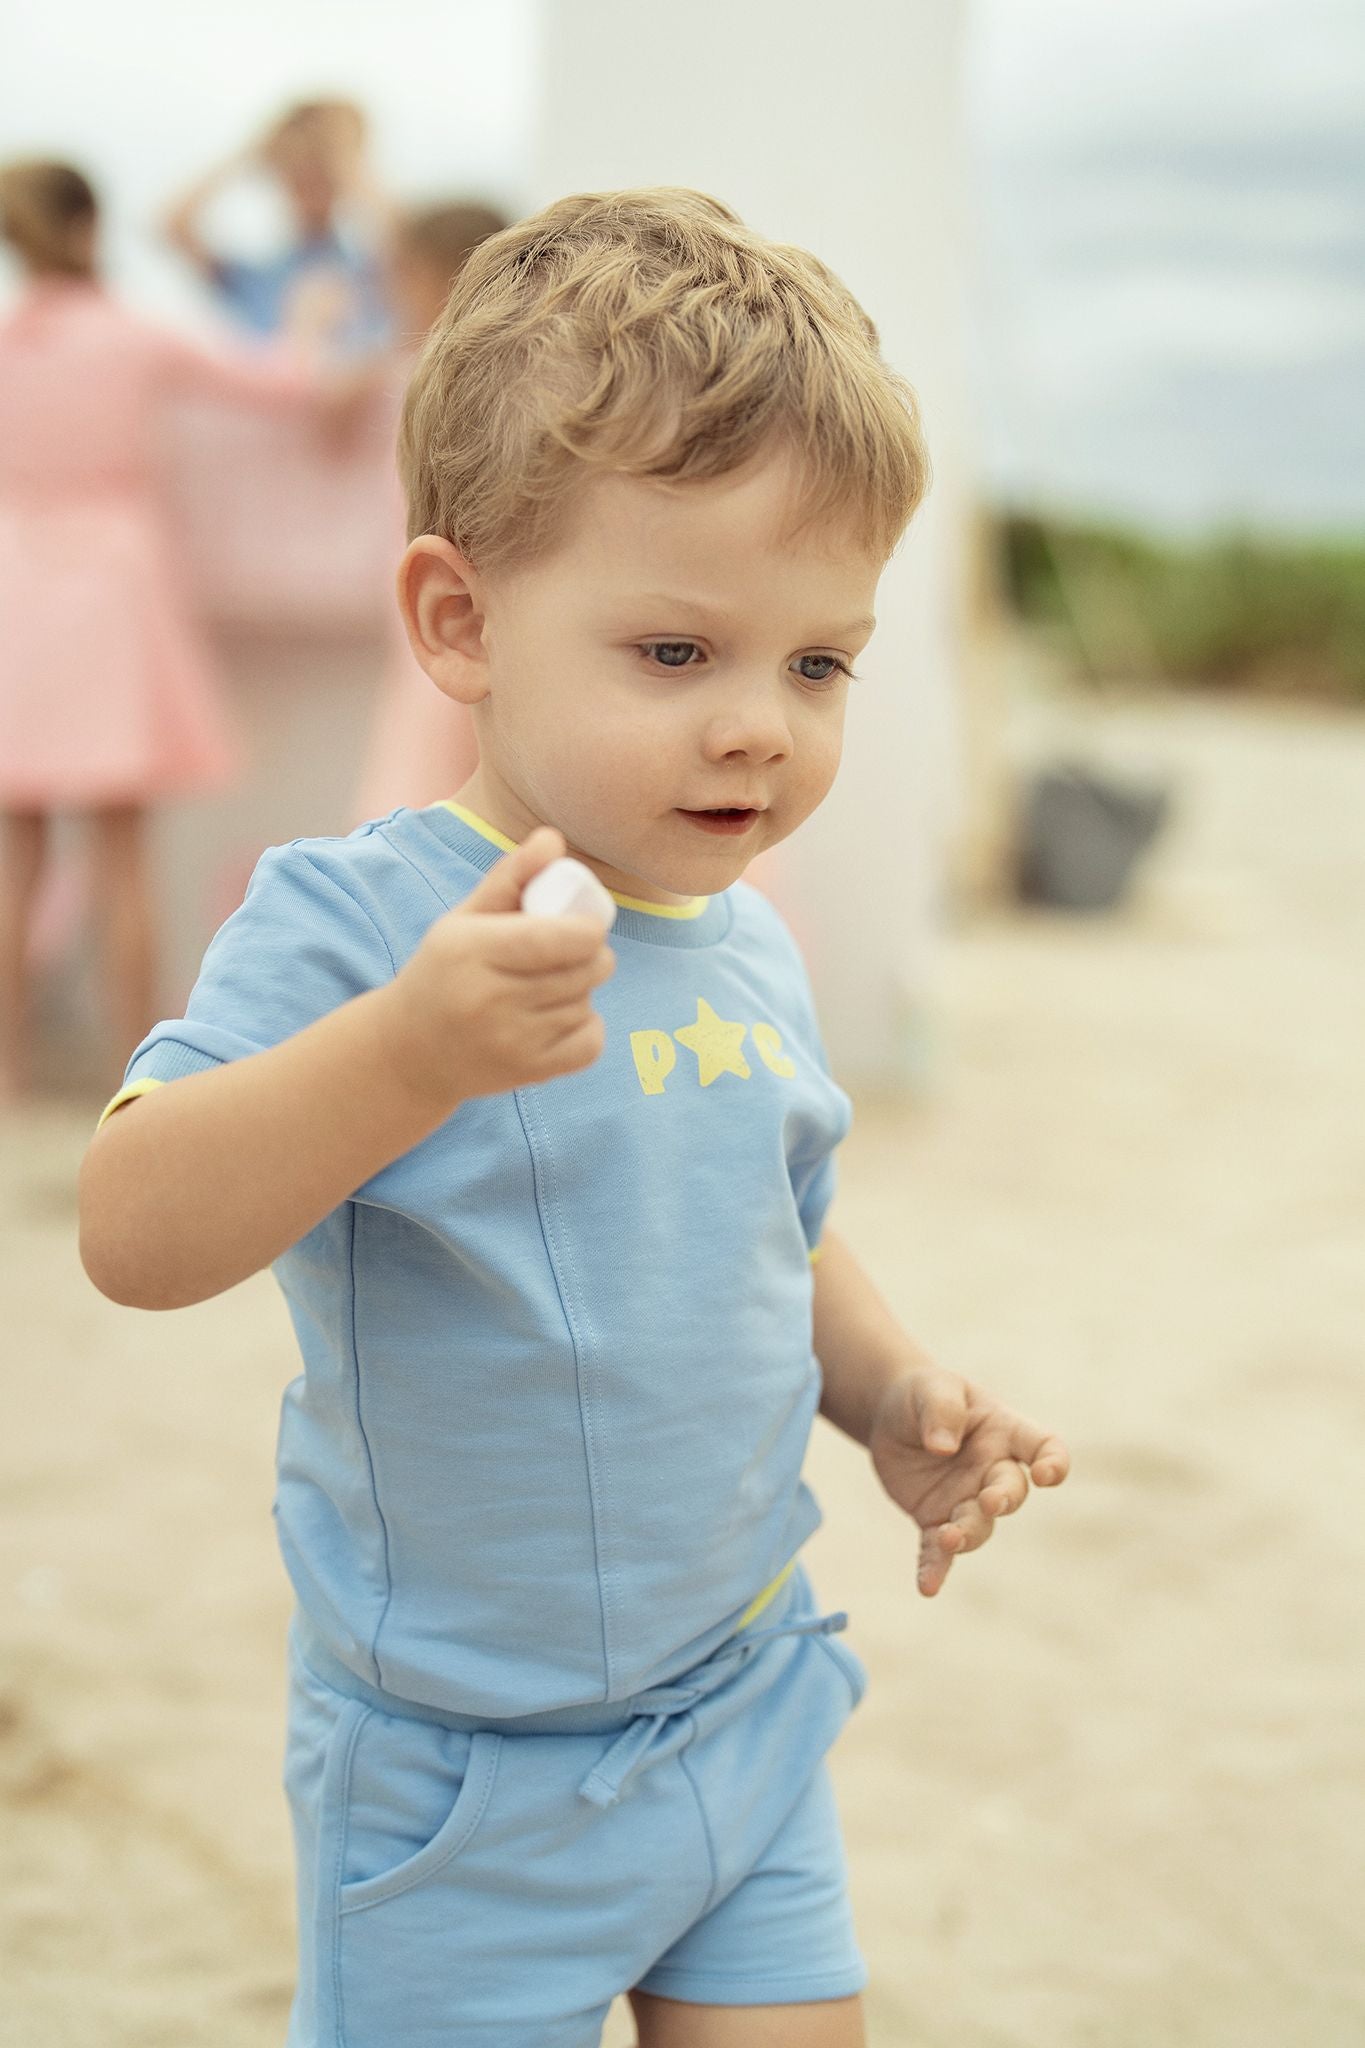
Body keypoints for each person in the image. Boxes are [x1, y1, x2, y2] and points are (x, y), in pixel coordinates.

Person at [78, 189, 1070, 2047]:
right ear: (459, 620)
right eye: (678, 654)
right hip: (465, 1782)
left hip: (747, 1699)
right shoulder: (364, 919)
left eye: (819, 662)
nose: (762, 727)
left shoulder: (746, 940)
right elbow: (132, 1228)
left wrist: (894, 1398)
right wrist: (408, 1055)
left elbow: (766, 1217)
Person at [0, 160, 322, 1101]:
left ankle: (7, 1072)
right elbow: (284, 387)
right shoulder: (132, 337)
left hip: (13, 595)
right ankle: (125, 1069)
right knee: (121, 855)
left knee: (16, 854)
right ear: (88, 224)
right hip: (109, 595)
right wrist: (305, 323)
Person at [352, 200, 509, 822]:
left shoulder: (448, 386)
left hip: (453, 632)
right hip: (438, 628)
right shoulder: (434, 372)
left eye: (406, 277)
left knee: (430, 808)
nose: (395, 295)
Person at [161, 99, 390, 353]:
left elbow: (407, 237)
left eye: (321, 177)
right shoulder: (256, 278)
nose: (311, 187)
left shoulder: (372, 273)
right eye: (299, 177)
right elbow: (172, 224)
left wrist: (342, 156)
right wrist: (252, 150)